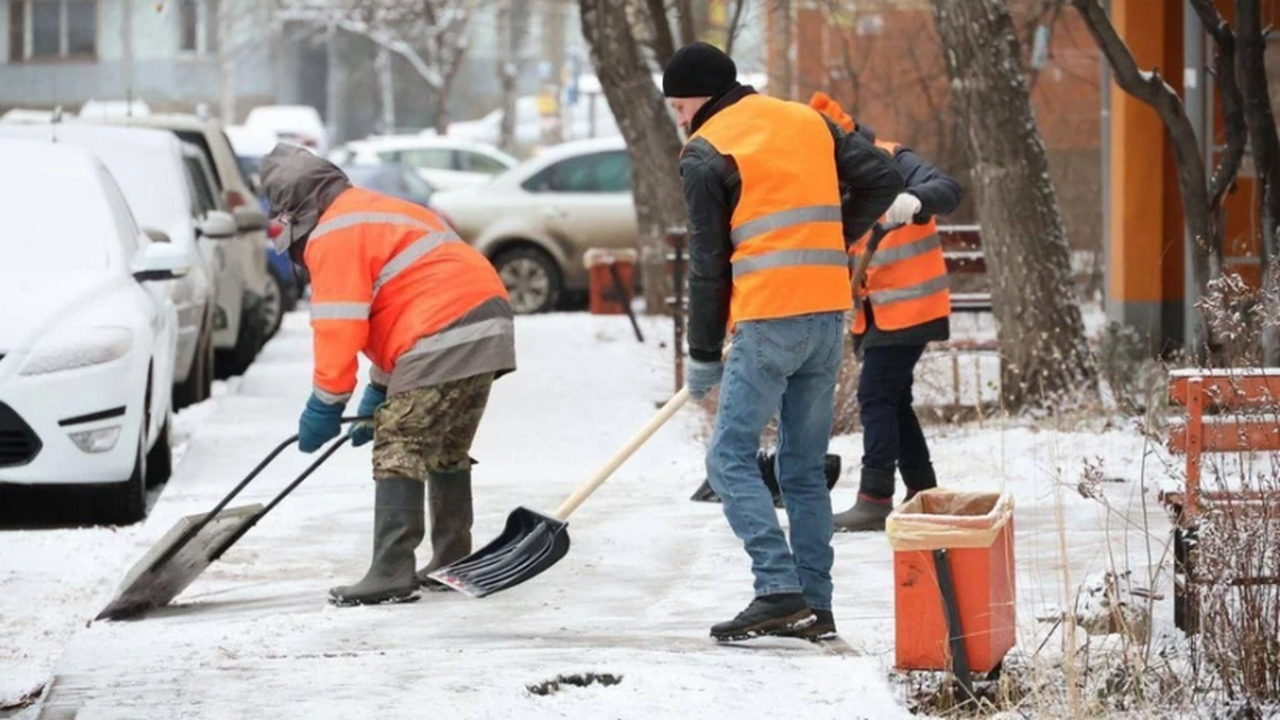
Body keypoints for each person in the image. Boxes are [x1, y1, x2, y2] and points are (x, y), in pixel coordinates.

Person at [664, 43, 905, 641]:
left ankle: (777, 588)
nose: (677, 117)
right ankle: (815, 606)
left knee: (727, 459)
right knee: (800, 469)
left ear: (698, 99)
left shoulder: (705, 153)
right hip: (826, 316)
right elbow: (884, 177)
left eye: (678, 104)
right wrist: (835, 235)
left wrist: (698, 353)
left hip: (769, 320)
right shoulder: (807, 119)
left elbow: (707, 266)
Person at [258, 144, 516, 606]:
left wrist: (325, 404)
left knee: (399, 442)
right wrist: (378, 388)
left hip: (444, 329)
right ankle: (453, 556)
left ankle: (392, 570)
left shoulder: (334, 235)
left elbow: (338, 327)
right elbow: (401, 304)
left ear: (297, 215)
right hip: (487, 321)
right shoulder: (373, 209)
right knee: (444, 444)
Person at [809, 92, 963, 532]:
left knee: (876, 394)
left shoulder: (893, 159)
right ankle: (924, 490)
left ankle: (875, 497)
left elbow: (947, 189)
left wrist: (914, 200)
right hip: (872, 314)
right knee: (894, 401)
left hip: (912, 305)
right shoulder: (826, 178)